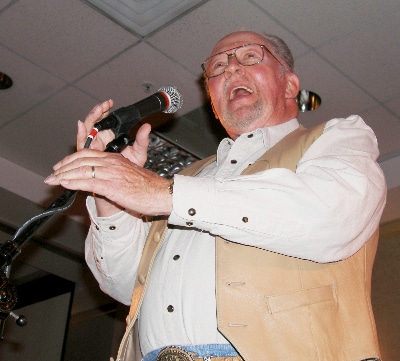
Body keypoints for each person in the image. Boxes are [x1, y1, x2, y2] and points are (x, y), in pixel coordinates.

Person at [45, 31, 387, 361]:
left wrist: (161, 192)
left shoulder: (338, 137)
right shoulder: (190, 181)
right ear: (212, 98)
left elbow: (331, 215)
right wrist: (110, 193)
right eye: (217, 68)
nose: (231, 68)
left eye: (250, 56)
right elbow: (122, 285)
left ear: (290, 85)